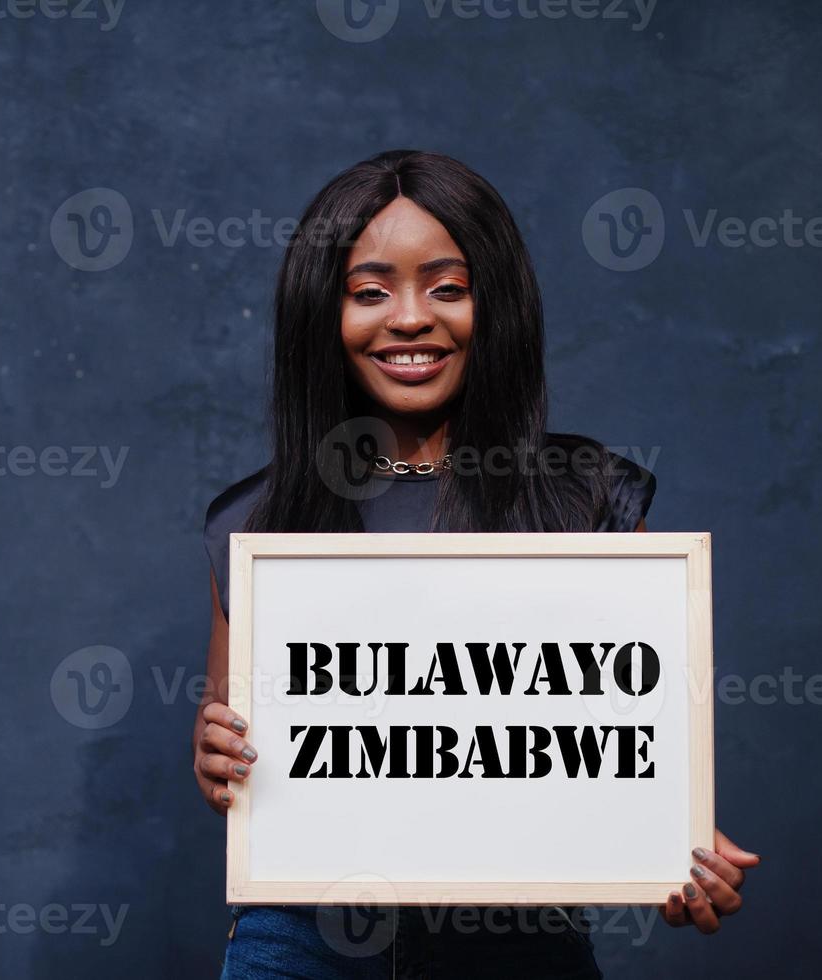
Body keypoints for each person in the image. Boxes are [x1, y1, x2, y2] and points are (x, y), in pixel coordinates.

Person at [192, 150, 760, 978]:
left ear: (495, 307)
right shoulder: (254, 521)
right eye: (370, 290)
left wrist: (670, 833)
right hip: (303, 941)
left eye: (448, 288)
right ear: (323, 313)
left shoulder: (584, 498)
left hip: (516, 943)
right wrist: (217, 762)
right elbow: (233, 749)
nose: (411, 317)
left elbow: (631, 740)